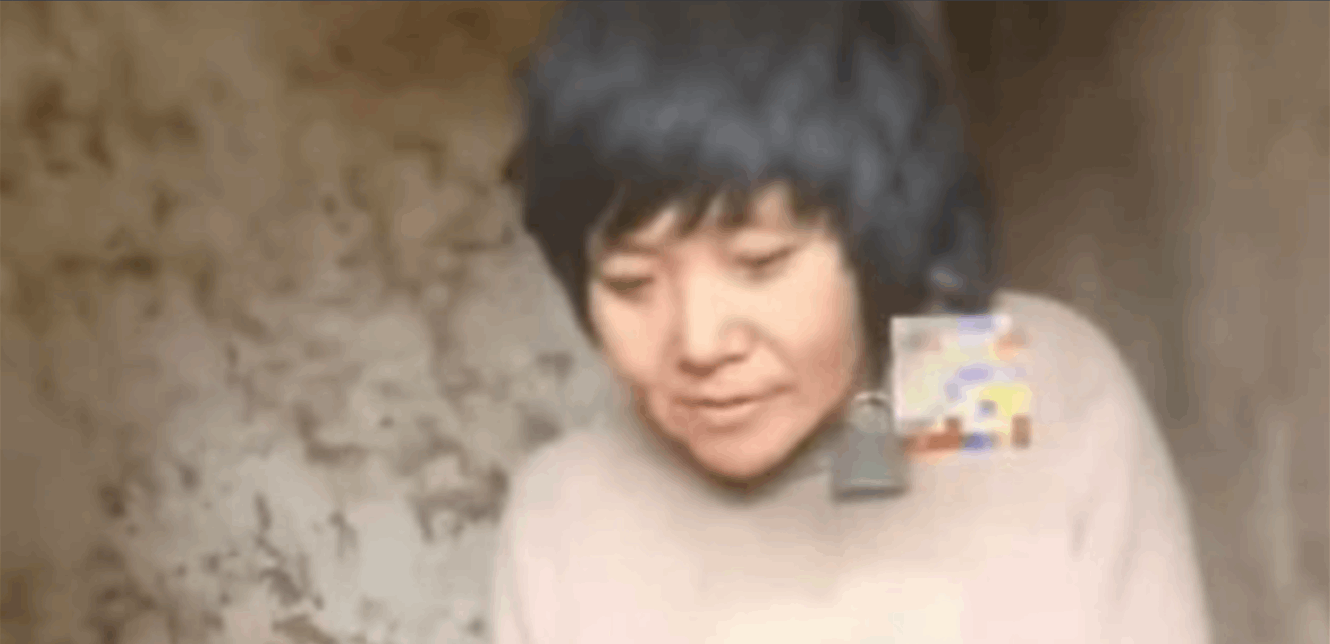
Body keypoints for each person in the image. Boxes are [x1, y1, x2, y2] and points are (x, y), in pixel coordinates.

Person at [493, 3, 1211, 642]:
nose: (700, 343)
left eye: (760, 263)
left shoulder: (1021, 380)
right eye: (630, 283)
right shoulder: (571, 512)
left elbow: (983, 464)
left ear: (878, 241)